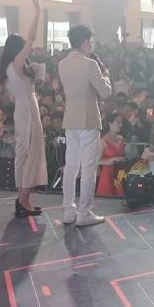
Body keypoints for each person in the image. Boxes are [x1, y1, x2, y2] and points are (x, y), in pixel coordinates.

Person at [57, 24, 112, 227]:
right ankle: (84, 212)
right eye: (90, 42)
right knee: (88, 168)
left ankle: (68, 211)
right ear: (84, 42)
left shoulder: (62, 64)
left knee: (71, 167)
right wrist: (106, 76)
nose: (91, 45)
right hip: (88, 120)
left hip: (71, 120)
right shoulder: (90, 64)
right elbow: (105, 92)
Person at [0, 0, 46, 217]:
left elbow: (11, 96)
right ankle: (24, 200)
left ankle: (22, 199)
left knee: (22, 155)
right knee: (31, 153)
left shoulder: (7, 68)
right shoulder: (18, 62)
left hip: (22, 108)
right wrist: (37, 12)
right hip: (28, 108)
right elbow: (32, 37)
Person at [97, 112, 126, 197]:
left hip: (119, 173)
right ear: (110, 123)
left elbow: (123, 155)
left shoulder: (121, 139)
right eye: (118, 122)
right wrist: (111, 160)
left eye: (121, 122)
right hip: (107, 174)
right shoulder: (103, 141)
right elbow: (97, 161)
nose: (120, 125)